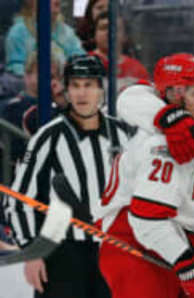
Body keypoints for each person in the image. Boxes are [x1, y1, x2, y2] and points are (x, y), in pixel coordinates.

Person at [3, 55, 133, 298]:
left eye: (88, 85)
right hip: (62, 254)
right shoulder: (47, 138)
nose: (82, 94)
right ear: (67, 89)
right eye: (75, 85)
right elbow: (19, 200)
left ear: (100, 88)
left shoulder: (123, 135)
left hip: (113, 251)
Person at [98, 53, 194, 298]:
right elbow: (148, 220)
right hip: (137, 246)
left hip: (162, 245)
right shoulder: (165, 144)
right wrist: (186, 260)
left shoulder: (179, 130)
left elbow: (136, 95)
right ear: (175, 96)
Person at [1, 52, 65, 163]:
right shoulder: (13, 106)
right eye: (43, 73)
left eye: (53, 77)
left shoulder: (60, 104)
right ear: (27, 76)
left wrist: (62, 103)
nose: (48, 80)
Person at [5, 0, 85, 76]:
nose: (57, 1)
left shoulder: (66, 31)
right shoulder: (18, 32)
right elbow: (16, 67)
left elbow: (80, 60)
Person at [89, 12, 149, 94]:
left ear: (125, 36)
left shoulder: (138, 69)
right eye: (103, 28)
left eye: (115, 28)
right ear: (94, 34)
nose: (109, 32)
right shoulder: (83, 64)